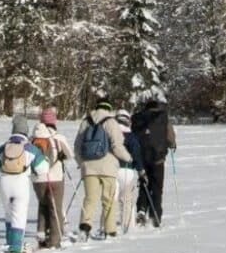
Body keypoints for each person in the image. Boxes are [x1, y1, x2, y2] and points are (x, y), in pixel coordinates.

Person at [0, 114, 49, 253]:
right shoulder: (30, 148)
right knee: (19, 216)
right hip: (20, 183)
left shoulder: (3, 148)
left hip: (4, 183)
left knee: (9, 214)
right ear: (26, 130)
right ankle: (15, 247)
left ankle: (9, 242)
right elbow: (43, 169)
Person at [73, 95, 132, 239]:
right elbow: (117, 146)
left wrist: (81, 163)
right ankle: (109, 230)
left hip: (88, 167)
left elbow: (77, 146)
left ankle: (84, 227)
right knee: (108, 200)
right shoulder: (111, 122)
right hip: (108, 167)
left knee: (90, 199)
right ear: (109, 108)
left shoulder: (85, 121)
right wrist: (128, 158)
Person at [30, 107, 73, 249]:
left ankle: (42, 235)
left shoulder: (33, 138)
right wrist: (61, 156)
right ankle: (55, 241)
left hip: (37, 178)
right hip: (55, 177)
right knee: (55, 208)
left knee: (43, 206)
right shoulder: (58, 137)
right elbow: (70, 155)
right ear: (54, 122)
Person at [132, 99, 176, 227]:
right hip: (158, 159)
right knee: (157, 188)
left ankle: (141, 209)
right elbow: (170, 137)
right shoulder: (163, 117)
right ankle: (155, 216)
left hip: (142, 159)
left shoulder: (139, 118)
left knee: (144, 185)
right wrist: (172, 145)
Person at [114, 109, 146, 234]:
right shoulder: (131, 136)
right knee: (126, 200)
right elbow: (136, 155)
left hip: (112, 170)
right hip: (127, 171)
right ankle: (127, 226)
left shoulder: (110, 134)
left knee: (112, 199)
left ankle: (107, 227)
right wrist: (141, 170)